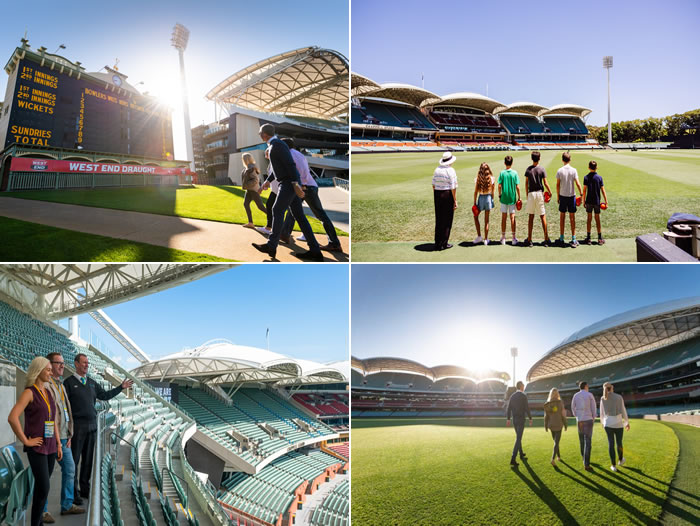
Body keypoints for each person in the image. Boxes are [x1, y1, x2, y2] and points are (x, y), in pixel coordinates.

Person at [63, 353, 133, 505]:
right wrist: (67, 430)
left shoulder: (92, 383)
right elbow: (63, 408)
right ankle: (74, 494)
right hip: (76, 428)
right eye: (83, 362)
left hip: (92, 426)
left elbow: (105, 395)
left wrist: (121, 387)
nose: (86, 365)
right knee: (74, 462)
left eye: (88, 363)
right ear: (76, 364)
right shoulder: (68, 383)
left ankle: (85, 489)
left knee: (88, 461)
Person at [252, 124, 323, 261]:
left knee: (277, 210)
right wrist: (268, 181)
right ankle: (315, 251)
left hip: (288, 184)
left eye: (260, 133)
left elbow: (290, 165)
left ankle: (271, 245)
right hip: (288, 182)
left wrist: (296, 184)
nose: (260, 136)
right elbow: (280, 168)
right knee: (299, 216)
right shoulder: (276, 145)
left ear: (264, 134)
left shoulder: (276, 145)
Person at [7, 357, 62, 526]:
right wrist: (26, 441)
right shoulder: (29, 392)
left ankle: (37, 523)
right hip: (37, 447)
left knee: (42, 489)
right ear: (38, 371)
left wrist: (59, 443)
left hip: (51, 446)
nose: (51, 372)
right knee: (43, 487)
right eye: (48, 369)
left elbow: (53, 420)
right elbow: (12, 417)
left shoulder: (48, 391)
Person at [279, 138, 343, 252]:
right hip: (309, 186)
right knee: (294, 210)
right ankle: (284, 234)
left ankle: (334, 243)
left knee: (318, 215)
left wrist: (302, 185)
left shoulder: (291, 155)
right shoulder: (298, 154)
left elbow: (303, 171)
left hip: (305, 187)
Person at [42, 352, 84, 522]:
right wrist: (57, 439)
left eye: (62, 362)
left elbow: (65, 411)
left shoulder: (60, 384)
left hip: (65, 436)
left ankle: (66, 505)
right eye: (58, 362)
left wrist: (69, 433)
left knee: (70, 468)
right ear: (49, 365)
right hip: (52, 437)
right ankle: (42, 511)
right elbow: (49, 416)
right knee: (46, 474)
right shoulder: (46, 385)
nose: (61, 366)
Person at [524, 151, 552, 247]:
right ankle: (546, 238)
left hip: (531, 193)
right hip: (540, 193)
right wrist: (550, 191)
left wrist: (527, 194)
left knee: (531, 217)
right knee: (542, 216)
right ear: (539, 158)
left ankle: (529, 239)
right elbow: (545, 182)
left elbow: (526, 183)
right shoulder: (542, 169)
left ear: (532, 158)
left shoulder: (528, 169)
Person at [600, 382, 629, 472]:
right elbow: (623, 410)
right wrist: (627, 422)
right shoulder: (619, 397)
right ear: (612, 387)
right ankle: (620, 460)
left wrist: (602, 423)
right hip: (618, 422)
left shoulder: (602, 398)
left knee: (611, 444)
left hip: (608, 423)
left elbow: (601, 413)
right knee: (619, 443)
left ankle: (613, 465)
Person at [556, 152, 583, 247]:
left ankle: (562, 238)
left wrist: (558, 196)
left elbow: (558, 185)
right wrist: (581, 194)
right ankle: (574, 239)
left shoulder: (560, 170)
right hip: (572, 196)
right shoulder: (574, 170)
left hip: (563, 196)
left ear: (562, 160)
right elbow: (578, 183)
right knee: (572, 218)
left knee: (562, 217)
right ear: (570, 160)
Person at [432, 152, 458, 250]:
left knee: (439, 219)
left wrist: (436, 195)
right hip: (447, 194)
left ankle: (437, 242)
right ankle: (444, 243)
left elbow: (433, 185)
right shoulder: (451, 170)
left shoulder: (437, 169)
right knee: (447, 219)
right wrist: (455, 200)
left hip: (437, 194)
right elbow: (453, 187)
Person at [571, 381, 596, 471]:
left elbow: (572, 407)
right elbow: (593, 407)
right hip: (588, 420)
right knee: (588, 442)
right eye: (587, 386)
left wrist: (576, 415)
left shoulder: (576, 395)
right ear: (585, 386)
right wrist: (593, 418)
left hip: (580, 420)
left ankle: (583, 458)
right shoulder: (589, 395)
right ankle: (586, 464)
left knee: (581, 440)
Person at [505, 381, 532, 467]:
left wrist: (508, 419)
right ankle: (513, 458)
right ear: (521, 387)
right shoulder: (523, 396)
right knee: (518, 438)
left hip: (514, 420)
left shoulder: (512, 396)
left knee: (518, 437)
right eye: (523, 386)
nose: (524, 387)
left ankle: (521, 454)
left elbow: (508, 408)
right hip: (521, 420)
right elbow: (527, 408)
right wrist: (530, 418)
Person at [582, 160, 609, 245]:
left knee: (589, 219)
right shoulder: (599, 178)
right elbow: (603, 190)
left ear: (589, 168)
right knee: (597, 219)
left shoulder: (586, 177)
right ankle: (600, 238)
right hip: (597, 201)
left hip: (589, 201)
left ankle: (588, 238)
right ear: (596, 168)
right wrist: (606, 201)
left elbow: (584, 190)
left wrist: (583, 201)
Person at [497, 155, 520, 245]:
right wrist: (519, 197)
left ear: (504, 163)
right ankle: (513, 238)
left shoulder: (502, 173)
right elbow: (517, 187)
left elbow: (499, 185)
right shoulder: (515, 173)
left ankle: (503, 238)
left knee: (504, 217)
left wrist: (499, 195)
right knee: (512, 218)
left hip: (504, 198)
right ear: (512, 163)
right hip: (512, 198)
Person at [240, 153, 267, 229]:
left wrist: (247, 185)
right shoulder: (248, 168)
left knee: (260, 207)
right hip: (249, 190)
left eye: (243, 159)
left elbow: (255, 180)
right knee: (246, 204)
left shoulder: (251, 168)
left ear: (246, 160)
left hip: (253, 190)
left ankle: (275, 220)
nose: (242, 160)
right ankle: (250, 223)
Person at [543, 387, 568, 466]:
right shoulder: (560, 403)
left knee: (556, 442)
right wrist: (565, 424)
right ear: (557, 394)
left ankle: (559, 456)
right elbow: (563, 415)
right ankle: (552, 459)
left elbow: (546, 416)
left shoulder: (547, 404)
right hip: (559, 424)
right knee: (556, 442)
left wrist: (546, 426)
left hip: (551, 425)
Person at [472, 162, 494, 245]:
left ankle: (479, 236)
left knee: (475, 216)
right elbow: (492, 191)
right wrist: (492, 199)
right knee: (487, 220)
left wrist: (474, 203)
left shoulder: (477, 179)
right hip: (488, 198)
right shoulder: (491, 178)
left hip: (481, 198)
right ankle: (486, 239)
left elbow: (475, 192)